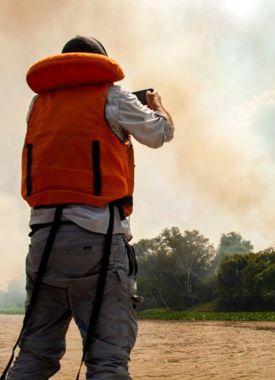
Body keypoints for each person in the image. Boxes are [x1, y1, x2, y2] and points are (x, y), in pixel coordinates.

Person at [7, 36, 174, 379]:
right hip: (97, 240)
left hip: (42, 241)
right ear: (99, 64)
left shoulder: (37, 105)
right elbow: (160, 134)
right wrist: (157, 105)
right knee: (108, 361)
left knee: (35, 356)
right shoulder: (112, 95)